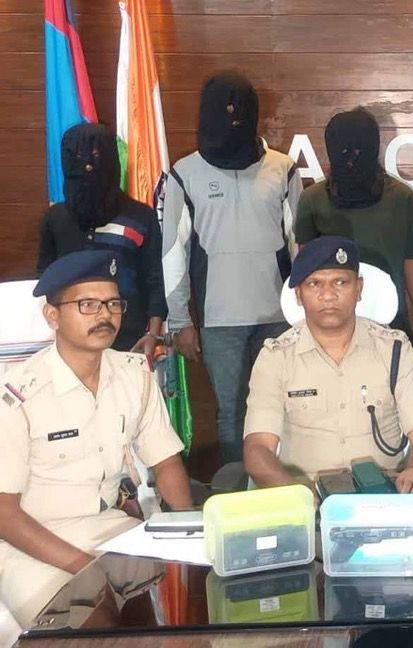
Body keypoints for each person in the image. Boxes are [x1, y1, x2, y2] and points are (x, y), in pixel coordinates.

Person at [0, 250, 192, 626]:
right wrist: (88, 568)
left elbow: (166, 461)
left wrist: (190, 531)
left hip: (108, 529)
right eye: (87, 304)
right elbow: (4, 513)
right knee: (99, 625)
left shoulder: (134, 375)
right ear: (52, 315)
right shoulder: (18, 395)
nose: (104, 315)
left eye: (112, 303)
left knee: (165, 625)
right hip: (33, 544)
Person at [161, 71, 303, 464]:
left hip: (279, 319)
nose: (233, 120)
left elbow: (300, 246)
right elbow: (173, 254)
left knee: (283, 411)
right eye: (224, 111)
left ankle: (284, 490)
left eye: (241, 111)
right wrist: (180, 320)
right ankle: (237, 493)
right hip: (219, 321)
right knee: (232, 415)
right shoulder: (184, 174)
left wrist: (303, 314)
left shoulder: (283, 169)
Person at [243, 236, 413, 497]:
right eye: (314, 284)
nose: (328, 295)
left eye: (340, 282)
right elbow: (258, 448)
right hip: (306, 497)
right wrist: (296, 494)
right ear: (299, 295)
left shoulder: (394, 350)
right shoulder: (276, 357)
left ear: (359, 288)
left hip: (384, 496)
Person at [295, 108, 413, 355]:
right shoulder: (312, 199)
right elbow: (307, 270)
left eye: (359, 151)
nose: (351, 159)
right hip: (330, 331)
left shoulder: (401, 198)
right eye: (344, 151)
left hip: (389, 325)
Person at [38, 123, 166, 357]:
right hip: (70, 343)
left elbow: (155, 278)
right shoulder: (54, 218)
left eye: (96, 156)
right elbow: (45, 279)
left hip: (129, 340)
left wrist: (153, 335)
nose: (88, 165)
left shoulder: (141, 216)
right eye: (79, 157)